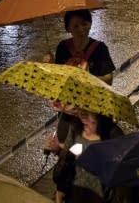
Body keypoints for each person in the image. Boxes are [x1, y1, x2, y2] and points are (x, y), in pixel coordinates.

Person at [42, 9, 116, 157]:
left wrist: (87, 78)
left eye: (84, 24)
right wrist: (49, 66)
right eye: (75, 26)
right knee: (65, 147)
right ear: (68, 29)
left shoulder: (99, 48)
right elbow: (57, 79)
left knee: (93, 148)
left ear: (90, 24)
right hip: (69, 108)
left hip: (93, 110)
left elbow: (108, 78)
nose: (81, 29)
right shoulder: (63, 47)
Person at [46, 109, 124, 203]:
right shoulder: (75, 127)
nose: (82, 114)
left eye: (89, 110)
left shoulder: (113, 135)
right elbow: (67, 159)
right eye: (81, 108)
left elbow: (119, 171)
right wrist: (58, 150)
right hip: (75, 192)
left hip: (100, 196)